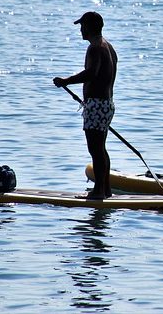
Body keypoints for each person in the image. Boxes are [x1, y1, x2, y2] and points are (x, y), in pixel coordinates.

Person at [54, 11, 117, 199]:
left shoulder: (95, 48)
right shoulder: (108, 46)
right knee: (100, 148)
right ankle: (105, 190)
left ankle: (98, 192)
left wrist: (66, 80)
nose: (81, 30)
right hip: (106, 104)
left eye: (83, 26)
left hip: (97, 105)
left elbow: (91, 73)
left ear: (90, 27)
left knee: (95, 149)